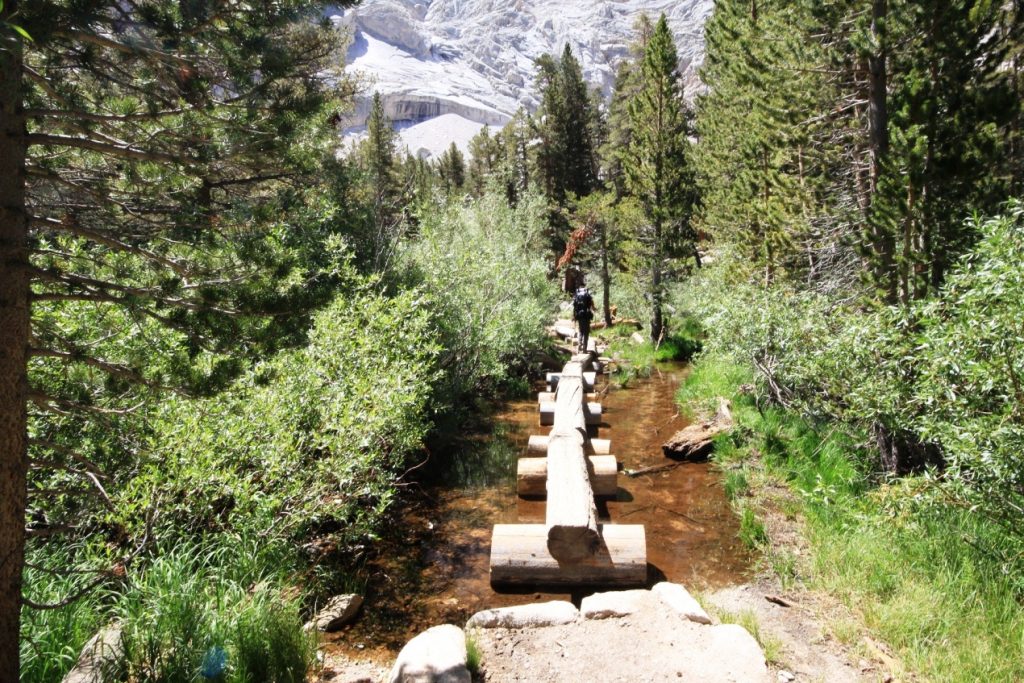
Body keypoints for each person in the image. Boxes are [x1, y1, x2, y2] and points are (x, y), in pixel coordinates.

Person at [572, 283, 595, 354]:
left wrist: (574, 316)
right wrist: (594, 309)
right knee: (586, 332)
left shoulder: (577, 294)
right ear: (584, 287)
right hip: (586, 315)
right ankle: (584, 348)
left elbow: (574, 306)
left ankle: (579, 345)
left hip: (579, 315)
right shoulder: (587, 294)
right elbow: (592, 304)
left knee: (581, 330)